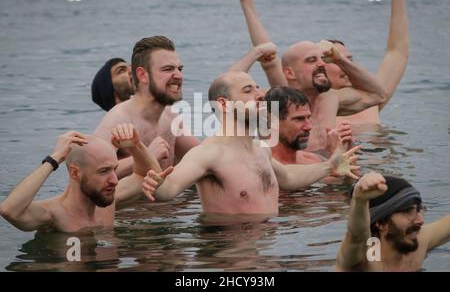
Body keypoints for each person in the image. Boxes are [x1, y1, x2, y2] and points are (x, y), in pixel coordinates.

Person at [142, 71, 360, 215]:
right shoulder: (209, 154)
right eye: (248, 91)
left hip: (266, 253)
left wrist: (331, 165)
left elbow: (289, 177)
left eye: (258, 88)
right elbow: (169, 189)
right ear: (224, 104)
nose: (260, 95)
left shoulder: (260, 149)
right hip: (230, 256)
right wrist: (155, 183)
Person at [231, 0, 388, 152]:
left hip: (330, 172)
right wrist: (247, 1)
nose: (321, 64)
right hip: (296, 174)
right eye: (311, 60)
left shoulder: (332, 99)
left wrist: (340, 59)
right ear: (290, 74)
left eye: (323, 59)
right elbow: (262, 63)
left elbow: (379, 95)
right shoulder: (278, 100)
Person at [0, 124, 161, 233]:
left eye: (115, 169)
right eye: (104, 171)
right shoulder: (54, 215)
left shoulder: (109, 201)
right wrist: (53, 159)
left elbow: (149, 176)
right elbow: (10, 211)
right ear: (75, 173)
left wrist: (136, 145)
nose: (115, 180)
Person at [94, 36, 199, 179]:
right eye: (168, 69)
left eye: (179, 69)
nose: (178, 75)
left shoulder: (171, 117)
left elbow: (201, 156)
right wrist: (144, 157)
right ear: (143, 75)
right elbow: (92, 174)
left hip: (170, 199)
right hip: (135, 201)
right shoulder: (118, 119)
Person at [327, 0, 409, 125]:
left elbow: (398, 53)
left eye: (349, 60)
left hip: (378, 148)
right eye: (337, 60)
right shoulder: (308, 108)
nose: (346, 64)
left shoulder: (370, 99)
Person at [336, 172, 450, 271]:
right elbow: (357, 236)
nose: (421, 220)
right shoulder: (368, 258)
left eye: (418, 209)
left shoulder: (417, 242)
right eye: (408, 211)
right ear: (381, 223)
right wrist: (360, 200)